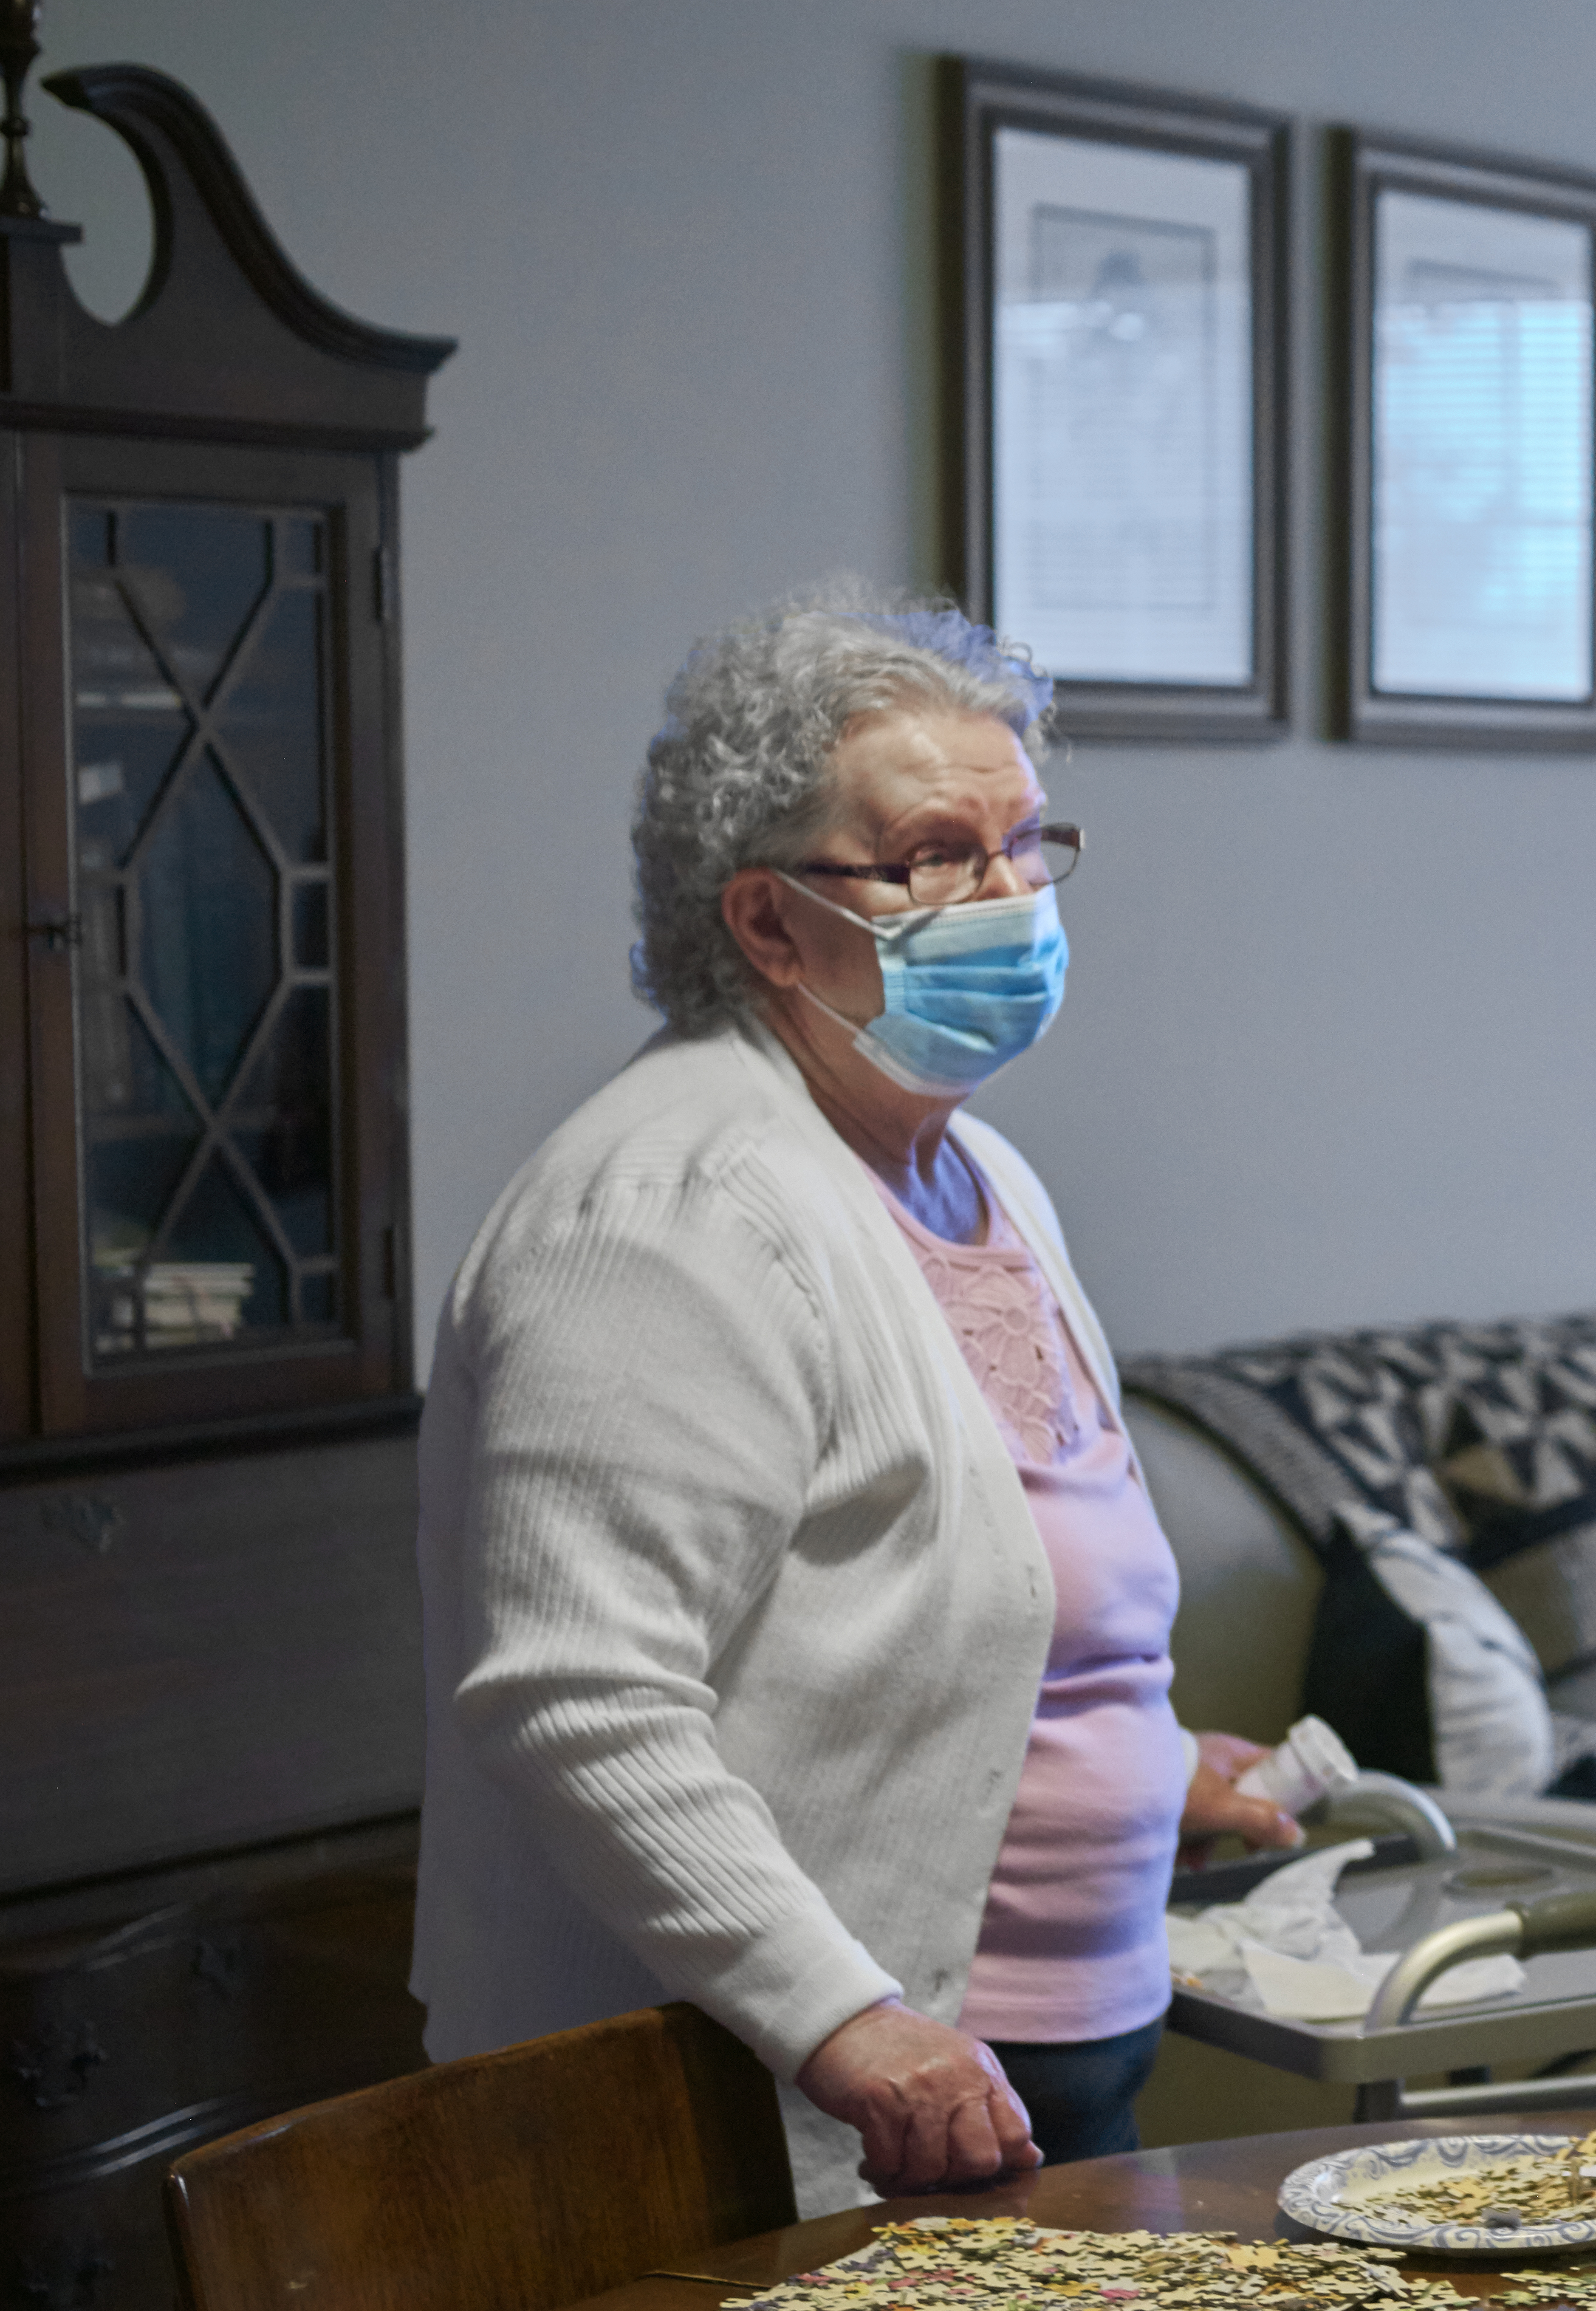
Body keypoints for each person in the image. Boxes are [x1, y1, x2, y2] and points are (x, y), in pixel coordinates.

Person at [409, 584, 1303, 2214]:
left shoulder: (975, 1172)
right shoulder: (670, 1211)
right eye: (933, 854)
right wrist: (846, 2021)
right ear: (765, 924)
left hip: (1054, 2055)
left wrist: (1146, 1762)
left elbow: (953, 1603)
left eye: (1027, 839)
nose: (1009, 892)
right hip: (805, 2096)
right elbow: (576, 1694)